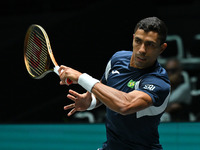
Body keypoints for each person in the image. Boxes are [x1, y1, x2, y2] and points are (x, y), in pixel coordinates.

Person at [58, 17, 170, 150]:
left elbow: (124, 105)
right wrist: (91, 101)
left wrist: (81, 78)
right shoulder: (118, 59)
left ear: (162, 48)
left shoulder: (158, 82)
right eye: (138, 41)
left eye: (150, 44)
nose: (142, 50)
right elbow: (104, 89)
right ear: (133, 38)